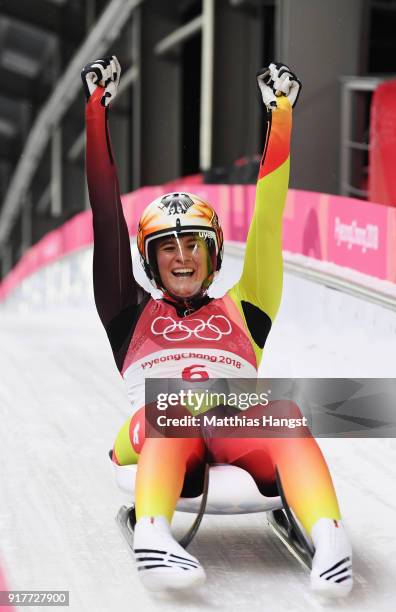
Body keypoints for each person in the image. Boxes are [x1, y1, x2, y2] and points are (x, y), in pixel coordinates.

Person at [82, 56, 353, 596]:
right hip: (156, 431)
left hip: (234, 428)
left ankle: (330, 538)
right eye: (167, 248)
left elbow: (268, 220)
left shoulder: (245, 308)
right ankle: (154, 537)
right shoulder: (128, 313)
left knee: (285, 411)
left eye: (193, 246)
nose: (182, 259)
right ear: (149, 260)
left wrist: (282, 117)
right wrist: (96, 111)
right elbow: (106, 214)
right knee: (174, 404)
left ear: (212, 256)